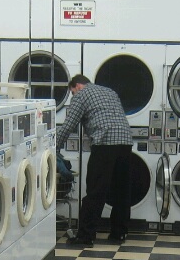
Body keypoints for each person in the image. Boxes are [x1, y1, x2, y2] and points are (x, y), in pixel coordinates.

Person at [56, 74, 133, 246]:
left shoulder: (81, 95)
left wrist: (54, 146)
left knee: (96, 190)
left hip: (105, 143)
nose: (73, 95)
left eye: (72, 92)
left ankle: (85, 236)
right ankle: (119, 233)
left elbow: (69, 125)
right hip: (125, 142)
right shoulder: (110, 91)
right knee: (121, 191)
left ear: (77, 86)